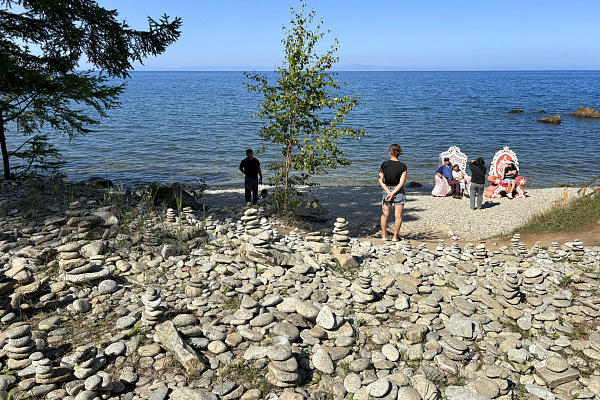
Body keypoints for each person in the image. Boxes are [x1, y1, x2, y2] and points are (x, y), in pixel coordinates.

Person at [379, 144, 407, 242]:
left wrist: (388, 192)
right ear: (399, 154)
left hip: (387, 190)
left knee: (385, 214)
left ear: (389, 153)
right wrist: (393, 193)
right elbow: (401, 183)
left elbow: (380, 180)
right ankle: (395, 237)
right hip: (398, 191)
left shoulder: (384, 164)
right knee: (398, 216)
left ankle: (384, 235)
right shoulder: (403, 167)